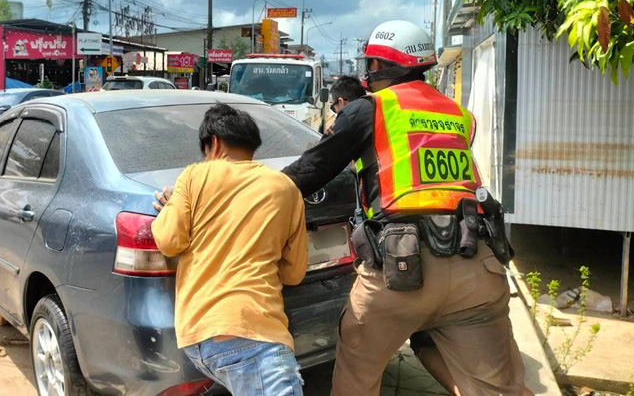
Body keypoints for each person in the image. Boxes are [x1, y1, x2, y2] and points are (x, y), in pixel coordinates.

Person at [282, 20, 531, 396]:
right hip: (477, 267)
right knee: (498, 388)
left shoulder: (370, 110)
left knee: (357, 374)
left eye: (371, 64)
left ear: (381, 67)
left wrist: (242, 188)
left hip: (400, 272)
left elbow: (308, 173)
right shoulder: (458, 115)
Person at [151, 104, 308, 396]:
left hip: (199, 336)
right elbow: (295, 273)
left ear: (213, 142)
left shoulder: (194, 177)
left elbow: (170, 242)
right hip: (254, 332)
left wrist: (169, 208)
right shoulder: (285, 187)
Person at [326, 74, 463, 396]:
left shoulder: (359, 122)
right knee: (425, 336)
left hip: (396, 257)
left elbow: (320, 167)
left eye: (334, 106)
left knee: (359, 352)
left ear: (343, 103)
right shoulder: (442, 120)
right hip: (454, 250)